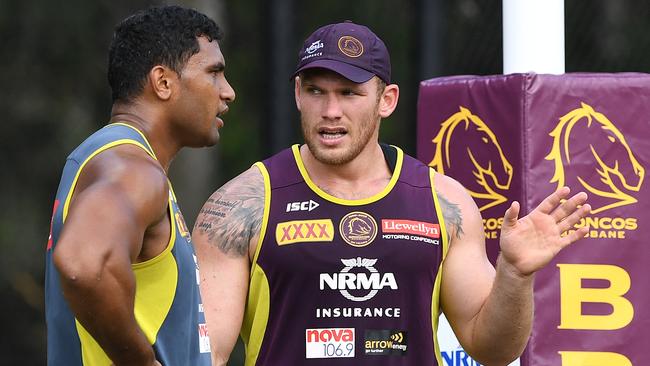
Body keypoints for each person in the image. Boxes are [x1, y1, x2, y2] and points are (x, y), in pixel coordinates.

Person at [192, 21, 590, 366]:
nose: (330, 110)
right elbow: (206, 354)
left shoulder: (441, 201)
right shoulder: (243, 204)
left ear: (387, 100)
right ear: (297, 94)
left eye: (349, 93)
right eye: (316, 92)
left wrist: (515, 274)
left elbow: (493, 350)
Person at [44, 5, 235, 366]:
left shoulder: (109, 159)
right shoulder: (132, 169)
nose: (228, 92)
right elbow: (83, 264)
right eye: (214, 73)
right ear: (163, 82)